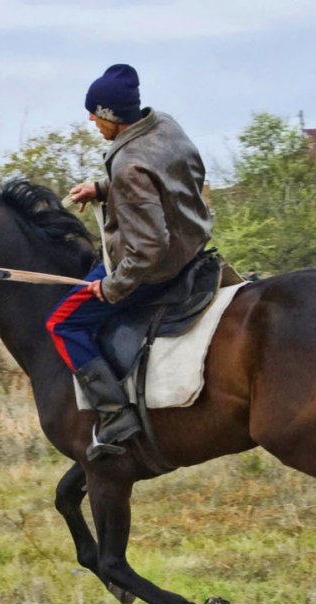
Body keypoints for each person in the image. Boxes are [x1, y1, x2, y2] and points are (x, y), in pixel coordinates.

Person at [46, 64, 213, 461]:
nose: (91, 120)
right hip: (192, 247)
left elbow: (150, 247)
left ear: (113, 117)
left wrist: (112, 286)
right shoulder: (164, 126)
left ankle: (116, 417)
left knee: (61, 322)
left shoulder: (128, 165)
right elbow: (166, 179)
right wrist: (103, 189)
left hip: (157, 269)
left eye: (95, 114)